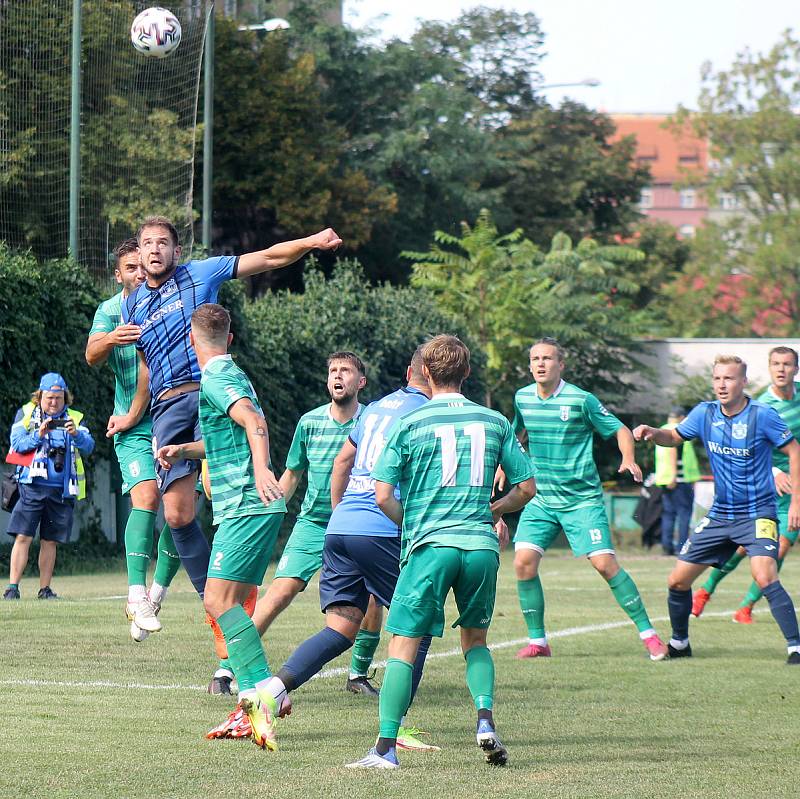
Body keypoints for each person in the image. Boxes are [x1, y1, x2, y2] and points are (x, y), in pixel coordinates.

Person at [108, 216, 340, 610]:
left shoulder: (200, 273)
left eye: (163, 243)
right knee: (178, 516)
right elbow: (145, 366)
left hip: (207, 396)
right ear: (140, 251)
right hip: (166, 407)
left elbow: (266, 258)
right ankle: (210, 602)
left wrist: (311, 240)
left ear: (176, 251)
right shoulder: (132, 303)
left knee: (218, 490)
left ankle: (230, 598)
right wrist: (133, 413)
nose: (155, 250)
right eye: (148, 243)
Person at [347, 335, 536, 770]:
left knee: (403, 645)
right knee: (476, 641)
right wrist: (494, 511)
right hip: (480, 548)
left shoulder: (410, 422)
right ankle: (485, 720)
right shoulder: (495, 421)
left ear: (425, 374)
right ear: (467, 373)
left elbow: (382, 495)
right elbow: (525, 488)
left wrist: (410, 523)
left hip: (431, 545)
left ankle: (385, 750)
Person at [255, 346, 437, 752]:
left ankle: (270, 691)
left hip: (340, 527)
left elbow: (342, 464)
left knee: (340, 629)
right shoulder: (427, 412)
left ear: (409, 371)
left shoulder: (374, 411)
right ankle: (397, 727)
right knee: (417, 626)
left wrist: (343, 514)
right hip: (382, 527)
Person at [157, 304, 286, 750]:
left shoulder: (216, 377)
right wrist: (182, 451)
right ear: (228, 338)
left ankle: (265, 692)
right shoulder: (228, 374)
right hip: (249, 506)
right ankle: (253, 700)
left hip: (248, 504)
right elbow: (224, 438)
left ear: (192, 341)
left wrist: (264, 469)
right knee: (227, 601)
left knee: (217, 598)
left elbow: (253, 420)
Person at [501, 338, 668, 661]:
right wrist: (502, 466)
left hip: (582, 500)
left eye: (547, 358)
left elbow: (619, 429)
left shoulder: (581, 400)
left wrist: (628, 458)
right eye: (535, 358)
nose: (540, 364)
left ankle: (650, 635)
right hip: (542, 498)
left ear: (561, 365)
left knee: (605, 565)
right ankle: (538, 642)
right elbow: (514, 434)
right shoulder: (523, 397)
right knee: (522, 562)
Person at [633, 355, 800, 665]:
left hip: (758, 514)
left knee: (765, 576)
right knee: (677, 581)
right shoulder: (704, 413)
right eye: (718, 379)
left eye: (730, 378)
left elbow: (794, 451)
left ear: (743, 382)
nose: (722, 384)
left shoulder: (763, 415)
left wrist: (796, 502)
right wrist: (655, 433)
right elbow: (674, 436)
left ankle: (795, 647)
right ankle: (680, 643)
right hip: (720, 515)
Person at [250, 352, 383, 696]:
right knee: (280, 591)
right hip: (313, 523)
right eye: (333, 371)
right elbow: (293, 473)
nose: (338, 376)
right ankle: (233, 667)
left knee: (369, 601)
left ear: (360, 381)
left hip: (359, 522)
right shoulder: (309, 422)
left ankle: (358, 675)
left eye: (346, 371)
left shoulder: (373, 421)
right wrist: (274, 503)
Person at [85, 238, 182, 641]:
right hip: (133, 427)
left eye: (141, 266)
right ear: (118, 273)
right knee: (146, 498)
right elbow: (91, 354)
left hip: (172, 418)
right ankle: (136, 594)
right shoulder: (110, 311)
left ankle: (156, 594)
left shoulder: (169, 302)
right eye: (130, 268)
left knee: (181, 515)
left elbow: (148, 376)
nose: (139, 273)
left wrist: (132, 414)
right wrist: (112, 338)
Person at [692, 346, 800, 624]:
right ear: (769, 368)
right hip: (763, 486)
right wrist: (774, 471)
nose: (781, 369)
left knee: (780, 548)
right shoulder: (763, 406)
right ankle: (706, 590)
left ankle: (746, 606)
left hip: (794, 487)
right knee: (742, 548)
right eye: (776, 363)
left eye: (787, 364)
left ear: (795, 369)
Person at [4, 374, 94, 599]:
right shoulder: (26, 413)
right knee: (23, 536)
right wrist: (39, 435)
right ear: (40, 396)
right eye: (49, 398)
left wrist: (76, 435)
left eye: (58, 397)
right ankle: (12, 588)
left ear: (65, 398)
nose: (54, 402)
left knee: (50, 541)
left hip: (62, 490)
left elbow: (89, 446)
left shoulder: (75, 417)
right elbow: (16, 444)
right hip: (30, 487)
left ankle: (45, 589)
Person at [654, 407, 700, 555]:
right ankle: (682, 547)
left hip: (664, 479)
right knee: (684, 514)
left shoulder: (661, 429)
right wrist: (674, 475)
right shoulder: (679, 429)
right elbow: (672, 450)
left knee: (668, 514)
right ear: (681, 417)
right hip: (679, 479)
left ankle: (666, 547)